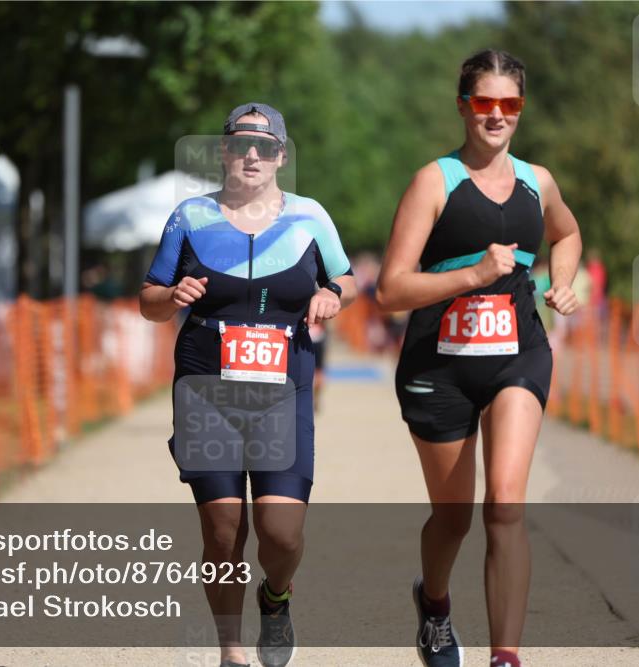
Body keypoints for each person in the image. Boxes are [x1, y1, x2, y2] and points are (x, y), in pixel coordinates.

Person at [376, 50, 582, 667]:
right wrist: (471, 274)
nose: (497, 116)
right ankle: (434, 605)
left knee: (505, 504)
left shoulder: (536, 181)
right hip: (438, 366)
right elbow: (389, 291)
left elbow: (567, 233)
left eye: (510, 105)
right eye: (484, 103)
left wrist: (562, 281)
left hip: (517, 352)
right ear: (463, 105)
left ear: (521, 110)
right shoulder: (433, 181)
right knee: (454, 518)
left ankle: (505, 655)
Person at [140, 102, 356, 667]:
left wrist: (332, 294)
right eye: (240, 145)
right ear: (224, 153)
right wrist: (172, 297)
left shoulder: (311, 216)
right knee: (222, 530)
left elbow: (346, 277)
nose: (251, 155)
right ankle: (230, 649)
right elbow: (149, 300)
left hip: (282, 388)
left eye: (264, 146)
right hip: (206, 386)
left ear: (281, 155)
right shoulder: (189, 217)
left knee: (280, 532)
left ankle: (276, 598)